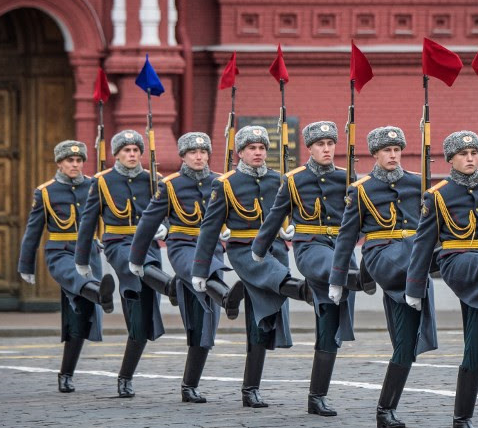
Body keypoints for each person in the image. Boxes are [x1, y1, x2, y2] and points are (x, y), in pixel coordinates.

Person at [193, 125, 310, 408]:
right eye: (251, 149)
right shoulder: (226, 183)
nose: (258, 153)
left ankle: (250, 389)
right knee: (276, 281)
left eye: (262, 148)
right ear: (240, 154)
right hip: (244, 252)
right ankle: (306, 291)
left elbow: (291, 212)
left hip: (275, 249)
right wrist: (200, 269)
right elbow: (209, 228)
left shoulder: (278, 180)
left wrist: (290, 228)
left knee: (262, 320)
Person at [329, 126, 438, 428]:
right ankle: (365, 274)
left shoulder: (419, 183)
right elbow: (347, 235)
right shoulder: (361, 189)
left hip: (413, 258)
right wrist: (337, 278)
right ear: (375, 154)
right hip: (383, 254)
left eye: (396, 149)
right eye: (386, 150)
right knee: (416, 262)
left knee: (406, 342)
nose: (392, 155)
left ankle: (385, 409)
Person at [252, 121, 359, 417]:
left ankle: (317, 397)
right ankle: (357, 279)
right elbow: (276, 214)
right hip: (310, 246)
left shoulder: (347, 177)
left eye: (330, 143)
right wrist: (259, 249)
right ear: (310, 148)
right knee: (330, 270)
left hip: (342, 246)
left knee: (330, 321)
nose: (327, 149)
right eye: (320, 144)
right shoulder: (294, 179)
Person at [407, 131, 478, 428]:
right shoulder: (438, 195)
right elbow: (423, 244)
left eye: (474, 153)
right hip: (458, 261)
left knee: (476, 345)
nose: (470, 158)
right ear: (450, 159)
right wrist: (414, 287)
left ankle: (462, 419)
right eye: (463, 153)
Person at [129, 132, 242, 403]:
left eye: (203, 152)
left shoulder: (221, 182)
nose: (199, 156)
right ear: (183, 156)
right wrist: (136, 258)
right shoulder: (170, 186)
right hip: (181, 248)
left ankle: (189, 385)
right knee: (198, 268)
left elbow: (239, 213)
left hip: (212, 249)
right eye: (193, 152)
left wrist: (232, 230)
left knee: (204, 324)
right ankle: (226, 296)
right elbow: (147, 222)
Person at [75, 130, 167, 398]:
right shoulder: (102, 182)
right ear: (116, 154)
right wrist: (82, 261)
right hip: (117, 245)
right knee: (132, 263)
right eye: (126, 151)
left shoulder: (154, 181)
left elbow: (171, 212)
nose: (132, 155)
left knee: (139, 320)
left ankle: (125, 377)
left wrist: (165, 228)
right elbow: (88, 222)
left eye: (136, 150)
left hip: (149, 245)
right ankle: (170, 286)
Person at [18, 140, 114, 393]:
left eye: (79, 160)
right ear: (59, 163)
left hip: (89, 255)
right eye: (70, 160)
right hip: (60, 253)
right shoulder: (46, 192)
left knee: (79, 318)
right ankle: (100, 293)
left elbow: (109, 214)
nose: (75, 164)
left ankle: (66, 374)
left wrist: (106, 237)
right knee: (74, 277)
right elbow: (33, 231)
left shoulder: (95, 185)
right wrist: (26, 265)